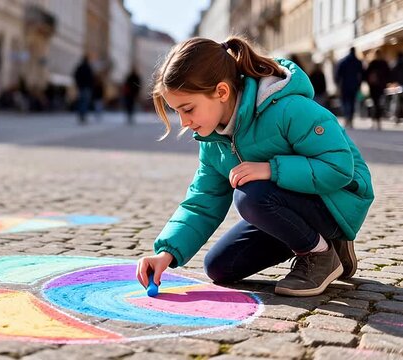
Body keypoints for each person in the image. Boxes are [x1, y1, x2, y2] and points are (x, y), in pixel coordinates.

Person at [137, 37, 374, 297]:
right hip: (286, 206)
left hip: (338, 201)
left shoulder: (289, 108)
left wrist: (270, 169)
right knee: (219, 268)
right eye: (177, 112)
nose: (183, 122)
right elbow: (203, 200)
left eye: (188, 109)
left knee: (249, 195)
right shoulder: (212, 141)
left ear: (221, 92)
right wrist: (166, 254)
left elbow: (339, 168)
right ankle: (324, 243)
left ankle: (320, 256)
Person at [335, 48, 363, 129]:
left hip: (344, 86)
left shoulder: (343, 62)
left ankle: (347, 118)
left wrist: (338, 85)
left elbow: (337, 75)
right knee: (352, 103)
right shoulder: (358, 62)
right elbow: (361, 74)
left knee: (345, 103)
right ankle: (350, 119)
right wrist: (359, 84)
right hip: (354, 86)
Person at [364, 50, 391, 130]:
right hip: (381, 87)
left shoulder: (373, 63)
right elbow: (388, 74)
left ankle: (375, 121)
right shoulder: (383, 63)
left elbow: (366, 75)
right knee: (379, 104)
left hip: (374, 87)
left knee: (375, 104)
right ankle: (378, 122)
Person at [73, 56, 94, 125]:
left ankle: (81, 114)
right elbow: (91, 78)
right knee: (85, 102)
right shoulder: (88, 68)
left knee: (81, 101)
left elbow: (75, 75)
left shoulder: (80, 67)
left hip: (81, 87)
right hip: (86, 87)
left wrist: (78, 84)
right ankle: (83, 115)